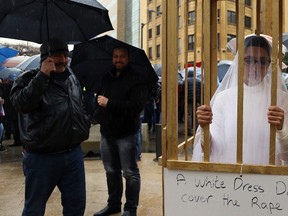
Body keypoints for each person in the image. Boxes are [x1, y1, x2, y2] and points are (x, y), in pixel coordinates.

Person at [9, 38, 91, 216]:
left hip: (73, 154)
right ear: (45, 57)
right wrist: (42, 77)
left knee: (76, 207)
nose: (62, 59)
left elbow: (80, 104)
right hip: (41, 158)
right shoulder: (28, 78)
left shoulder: (72, 77)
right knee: (34, 209)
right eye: (56, 55)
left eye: (64, 55)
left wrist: (84, 120)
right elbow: (20, 104)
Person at [192, 35, 288, 165]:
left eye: (262, 61)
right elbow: (211, 150)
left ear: (269, 64)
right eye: (248, 60)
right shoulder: (223, 99)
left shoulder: (281, 100)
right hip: (233, 177)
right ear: (239, 62)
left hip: (269, 180)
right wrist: (205, 127)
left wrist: (281, 129)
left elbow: (286, 156)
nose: (255, 67)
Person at [93, 46, 148, 216]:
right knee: (111, 171)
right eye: (115, 56)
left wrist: (109, 103)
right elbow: (100, 98)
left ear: (128, 58)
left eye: (122, 57)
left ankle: (130, 208)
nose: (118, 59)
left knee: (130, 173)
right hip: (107, 133)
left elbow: (135, 107)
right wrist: (98, 110)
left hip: (127, 134)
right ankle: (114, 204)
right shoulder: (107, 76)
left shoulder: (137, 79)